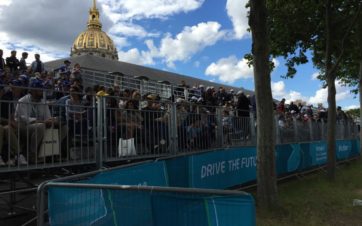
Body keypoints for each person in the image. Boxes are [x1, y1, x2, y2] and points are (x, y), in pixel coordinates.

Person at [14, 79, 59, 162]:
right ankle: (32, 153)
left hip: (38, 126)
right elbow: (26, 119)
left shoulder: (43, 101)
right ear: (33, 91)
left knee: (60, 126)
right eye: (39, 90)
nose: (42, 92)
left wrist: (52, 120)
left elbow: (47, 117)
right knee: (41, 126)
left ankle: (50, 154)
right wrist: (44, 122)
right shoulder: (22, 101)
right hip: (23, 127)